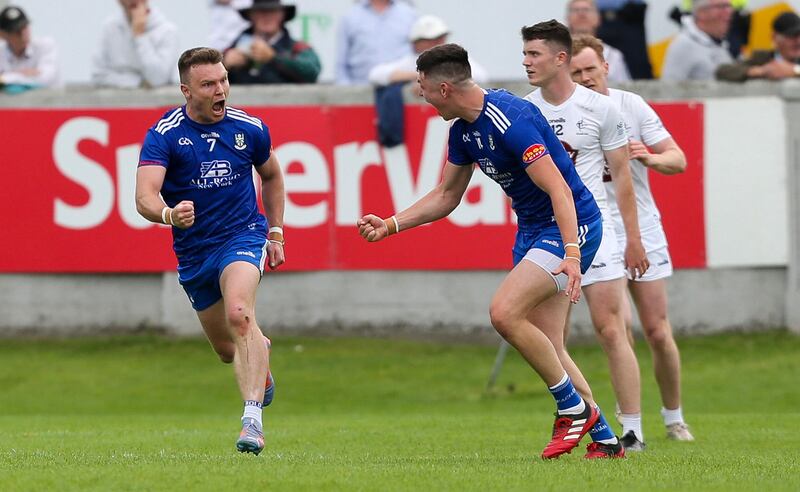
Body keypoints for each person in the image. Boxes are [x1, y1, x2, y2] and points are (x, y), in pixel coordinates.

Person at [358, 43, 624, 459]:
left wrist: (572, 254)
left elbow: (560, 189)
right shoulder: (462, 131)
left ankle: (572, 409)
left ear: (444, 88)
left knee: (504, 312)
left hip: (571, 227)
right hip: (535, 231)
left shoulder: (508, 119)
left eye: (423, 88)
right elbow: (446, 195)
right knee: (550, 345)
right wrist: (391, 224)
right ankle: (606, 440)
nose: (420, 95)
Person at [135, 47, 285, 455]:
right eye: (209, 84)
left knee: (240, 313)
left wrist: (275, 232)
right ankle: (260, 355)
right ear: (186, 90)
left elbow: (271, 176)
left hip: (243, 236)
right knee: (227, 349)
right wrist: (168, 214)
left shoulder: (249, 128)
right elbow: (144, 197)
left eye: (223, 80)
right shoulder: (165, 135)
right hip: (195, 252)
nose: (221, 90)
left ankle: (252, 421)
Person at [522, 20, 649, 452]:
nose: (526, 63)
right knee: (551, 339)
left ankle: (632, 430)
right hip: (551, 236)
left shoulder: (603, 109)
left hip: (597, 231)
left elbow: (624, 181)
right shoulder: (526, 109)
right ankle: (599, 428)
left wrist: (633, 238)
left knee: (612, 330)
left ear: (560, 59)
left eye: (534, 54)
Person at [570, 34, 695, 445]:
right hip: (597, 227)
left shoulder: (631, 106)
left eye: (590, 69)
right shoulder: (565, 113)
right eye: (576, 72)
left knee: (657, 330)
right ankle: (630, 428)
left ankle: (674, 417)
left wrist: (649, 156)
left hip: (642, 224)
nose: (585, 78)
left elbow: (677, 158)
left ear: (606, 67)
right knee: (614, 329)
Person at [368, 14, 488, 87]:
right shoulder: (411, 61)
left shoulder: (455, 57)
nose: (438, 43)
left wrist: (431, 78)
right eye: (432, 39)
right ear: (416, 43)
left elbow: (480, 76)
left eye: (441, 37)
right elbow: (375, 75)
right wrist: (417, 77)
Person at [223, 0, 320, 84]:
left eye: (272, 11)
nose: (267, 17)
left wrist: (273, 58)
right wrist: (225, 65)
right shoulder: (233, 48)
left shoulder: (297, 47)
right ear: (251, 15)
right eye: (261, 12)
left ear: (282, 15)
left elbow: (311, 72)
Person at [92, 0, 179, 88]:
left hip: (156, 101)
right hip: (117, 100)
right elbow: (98, 75)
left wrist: (140, 35)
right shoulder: (109, 27)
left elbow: (159, 79)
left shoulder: (167, 30)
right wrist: (138, 82)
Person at [336, 0, 417, 85]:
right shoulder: (350, 17)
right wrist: (345, 91)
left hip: (401, 89)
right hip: (361, 89)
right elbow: (341, 64)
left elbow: (419, 55)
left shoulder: (410, 15)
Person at [716, 11, 800, 82]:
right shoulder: (762, 58)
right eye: (792, 36)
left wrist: (794, 70)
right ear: (774, 37)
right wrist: (759, 71)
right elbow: (722, 71)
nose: (798, 41)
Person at [661, 0, 733, 81]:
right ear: (701, 13)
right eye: (721, 7)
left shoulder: (718, 43)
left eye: (729, 6)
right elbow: (668, 88)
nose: (729, 11)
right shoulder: (684, 45)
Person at [565, 0, 631, 83]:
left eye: (586, 10)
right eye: (576, 10)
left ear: (598, 19)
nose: (581, 14)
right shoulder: (559, 54)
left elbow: (624, 87)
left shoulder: (613, 55)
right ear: (568, 19)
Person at [0, 5, 60, 90]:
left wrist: (6, 77)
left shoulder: (45, 46)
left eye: (25, 27)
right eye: (17, 31)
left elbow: (46, 79)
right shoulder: (1, 53)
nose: (23, 35)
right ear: (3, 35)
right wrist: (24, 74)